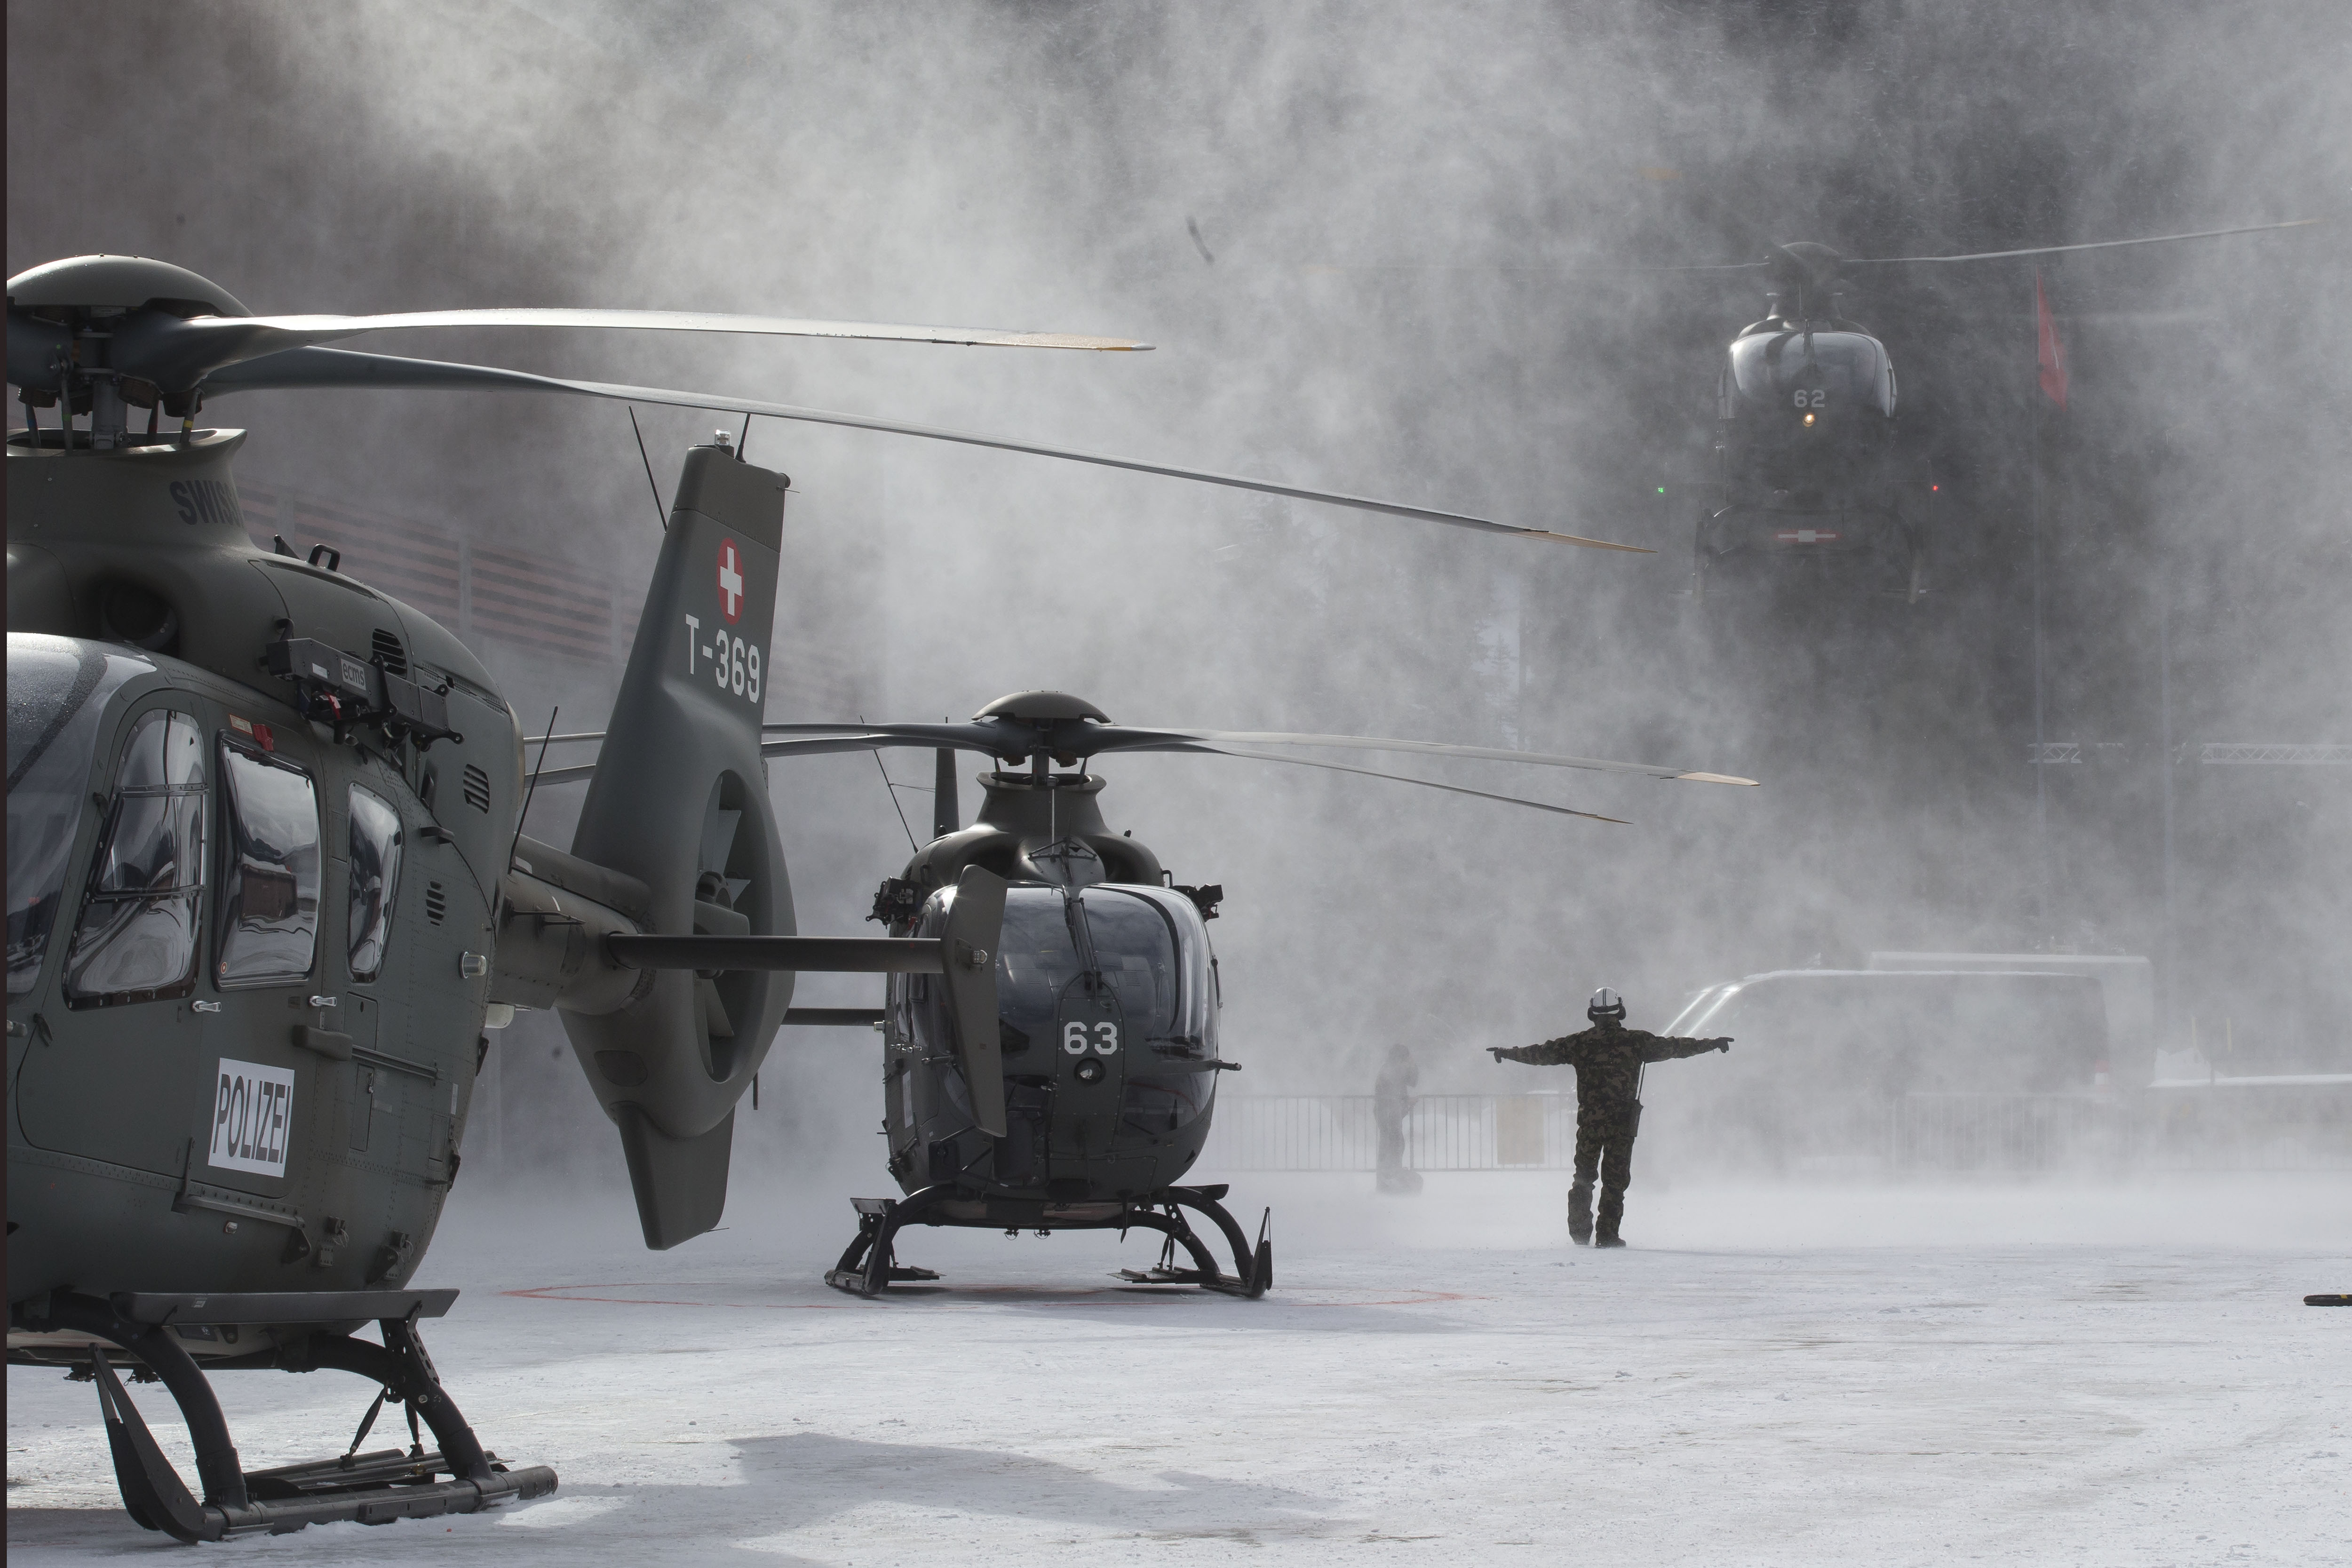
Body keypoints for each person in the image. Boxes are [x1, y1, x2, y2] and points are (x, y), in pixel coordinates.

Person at [1487, 988, 1730, 1248]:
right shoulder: (1637, 1042)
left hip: (1589, 1124)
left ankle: (1580, 1233)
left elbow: (1540, 1054)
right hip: (1622, 1125)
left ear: (1592, 1013)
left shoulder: (1578, 1043)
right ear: (1620, 1012)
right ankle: (1607, 1235)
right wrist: (1712, 1043)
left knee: (1584, 1177)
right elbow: (1676, 1047)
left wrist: (1508, 1052)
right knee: (1615, 1181)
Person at [1373, 1042, 1422, 1194]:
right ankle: (1389, 1180)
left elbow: (1409, 1083)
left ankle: (1387, 1180)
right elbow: (1396, 1091)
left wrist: (1405, 1102)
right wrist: (1406, 1101)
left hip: (1386, 1112)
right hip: (1389, 1113)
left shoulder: (1390, 1068)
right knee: (1394, 1144)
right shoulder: (1393, 1069)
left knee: (1391, 1144)